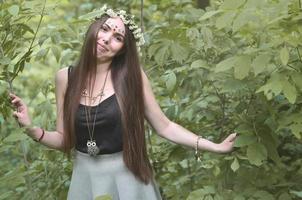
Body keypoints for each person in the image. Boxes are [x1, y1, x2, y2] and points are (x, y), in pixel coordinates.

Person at [9, 6, 237, 200]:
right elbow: (63, 140)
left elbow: (165, 127)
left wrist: (214, 146)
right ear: (94, 28)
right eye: (105, 29)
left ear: (123, 50)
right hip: (85, 178)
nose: (107, 39)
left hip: (127, 179)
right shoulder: (65, 78)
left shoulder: (132, 78)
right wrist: (30, 128)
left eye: (118, 38)